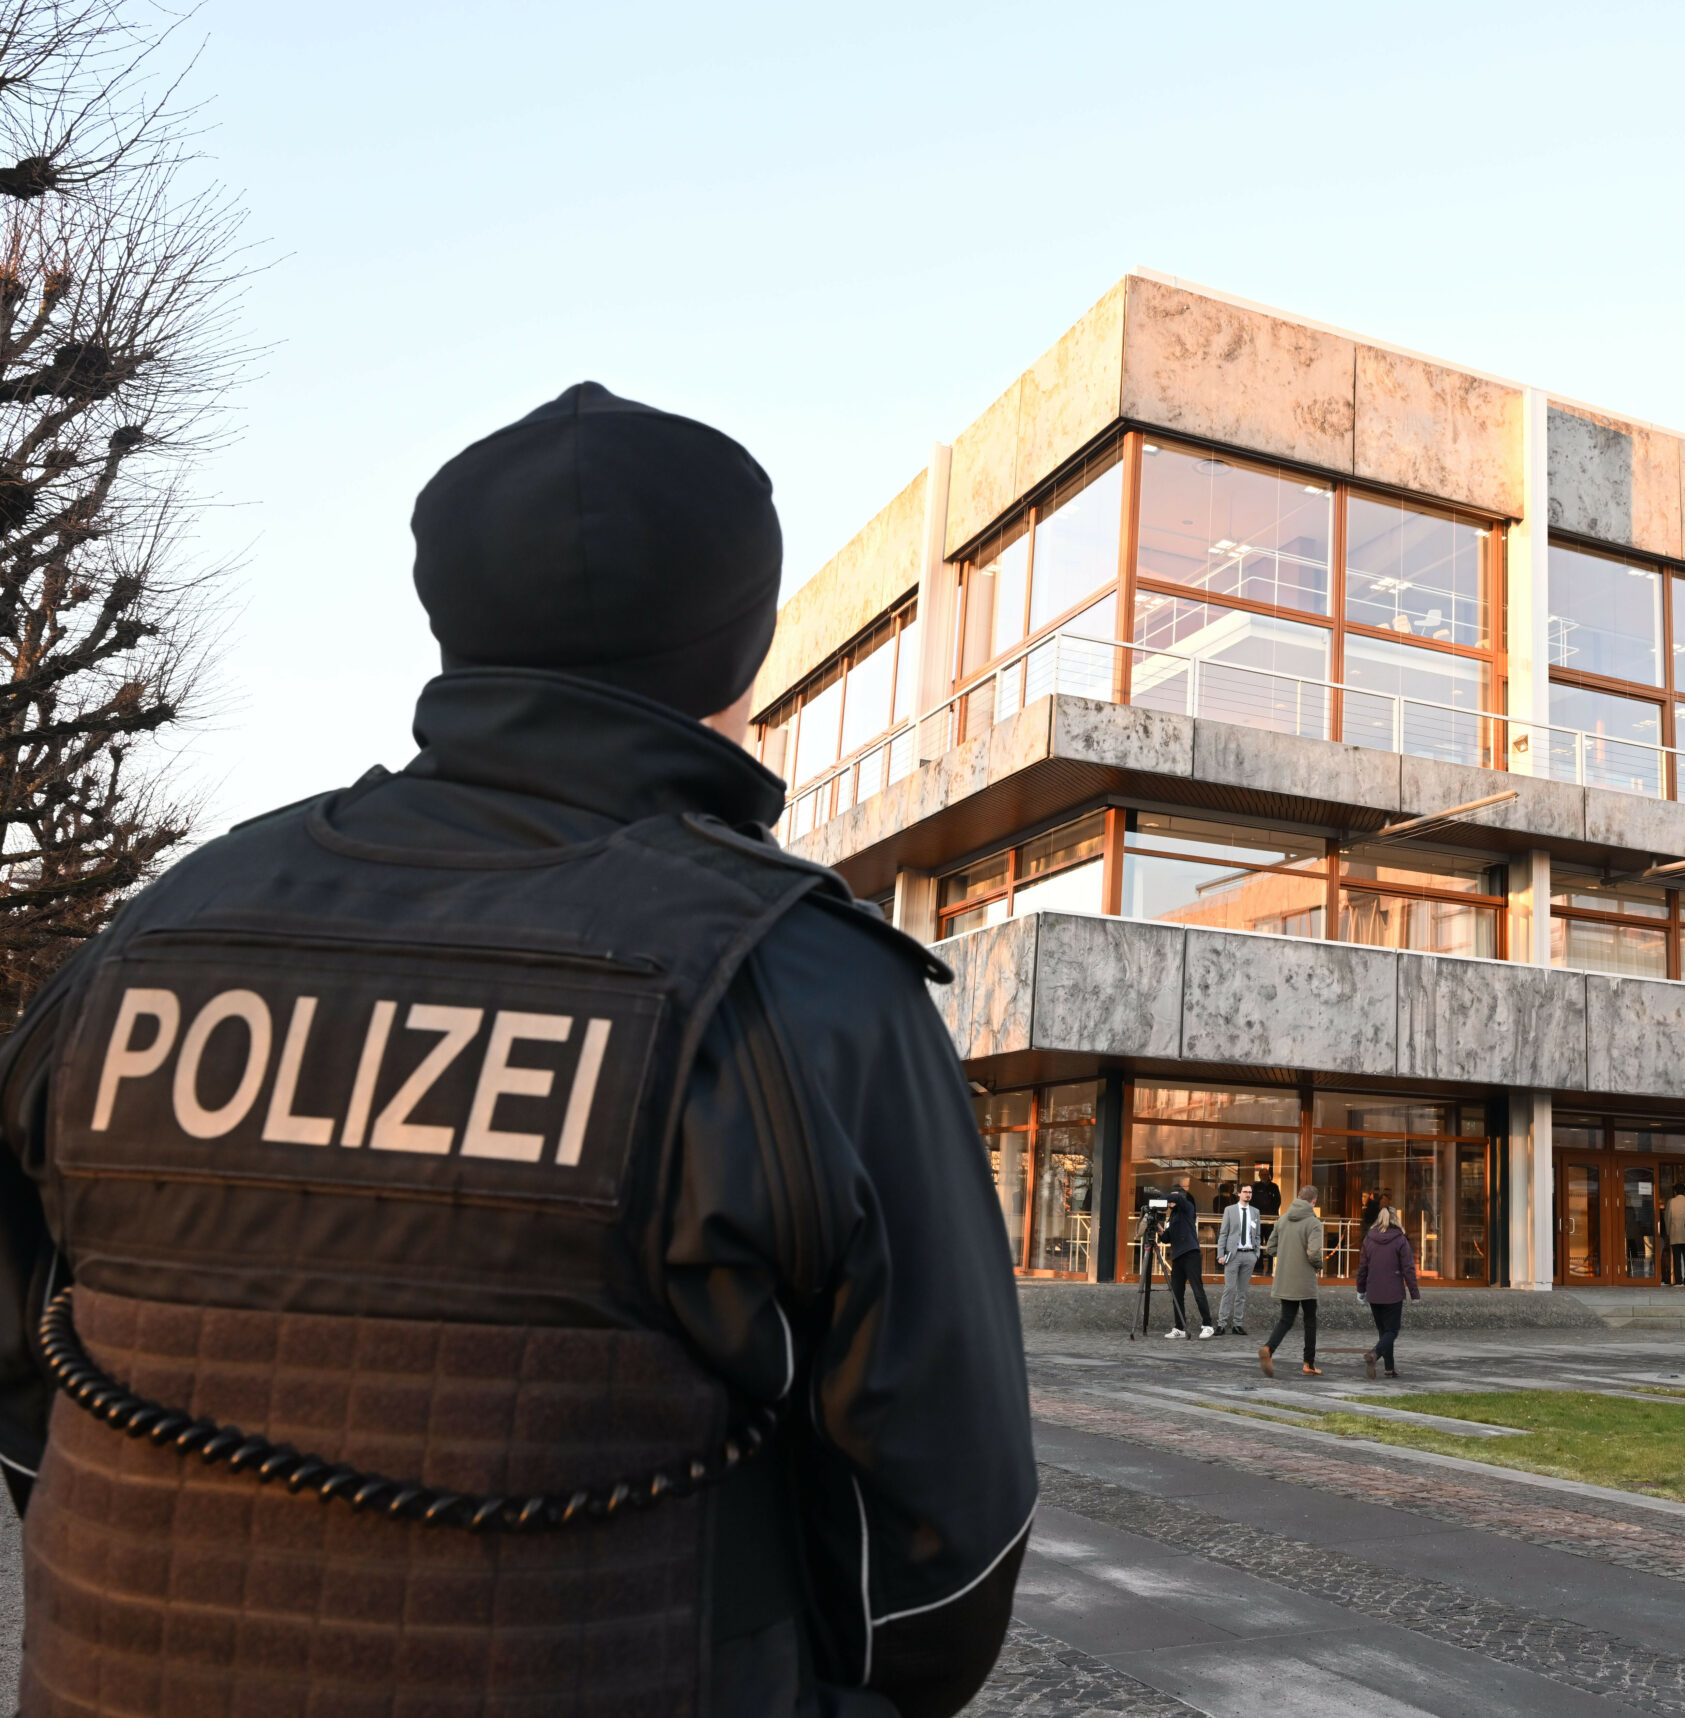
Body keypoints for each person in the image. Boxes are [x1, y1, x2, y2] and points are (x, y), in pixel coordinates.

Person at [0, 382, 1033, 1718]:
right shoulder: (798, 982)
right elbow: (950, 1546)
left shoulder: (155, 933)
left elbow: (29, 1378)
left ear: (455, 623)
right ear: (744, 650)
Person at [1260, 1186, 1325, 1377]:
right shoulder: (1313, 1223)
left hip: (1285, 1277)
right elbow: (1313, 1253)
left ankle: (1269, 1349)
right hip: (1305, 1279)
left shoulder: (1282, 1219)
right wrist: (1318, 1265)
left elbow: (1270, 1248)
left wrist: (1287, 1255)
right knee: (1310, 1320)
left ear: (1298, 1197)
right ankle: (1308, 1363)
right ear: (1314, 1201)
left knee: (1286, 1319)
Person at [1357, 1205, 1420, 1379]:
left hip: (1374, 1292)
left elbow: (1363, 1268)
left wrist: (1360, 1290)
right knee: (1392, 1331)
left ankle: (1389, 1368)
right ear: (1395, 1219)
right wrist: (1414, 1293)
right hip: (1393, 1293)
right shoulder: (1400, 1239)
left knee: (1383, 1331)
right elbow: (1408, 1268)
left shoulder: (1369, 1238)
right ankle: (1374, 1354)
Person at [1160, 1174, 1213, 1339]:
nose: (1171, 1202)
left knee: (1198, 1291)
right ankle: (1179, 1327)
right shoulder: (1173, 1216)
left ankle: (1207, 1325)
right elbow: (1166, 1238)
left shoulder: (1188, 1208)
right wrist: (1157, 1228)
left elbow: (1179, 1200)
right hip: (1177, 1257)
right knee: (1177, 1293)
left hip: (1191, 1254)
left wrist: (1160, 1199)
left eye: (1173, 1198)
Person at [1215, 1181, 1261, 1335]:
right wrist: (1220, 1254)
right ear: (1239, 1193)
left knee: (1242, 1292)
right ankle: (1221, 1324)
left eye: (1250, 1192)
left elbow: (1258, 1235)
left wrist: (1256, 1254)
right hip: (1233, 1255)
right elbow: (1223, 1233)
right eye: (1246, 1192)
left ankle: (1237, 1324)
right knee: (1229, 1289)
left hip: (1249, 1255)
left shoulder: (1255, 1212)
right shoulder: (1230, 1210)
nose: (1248, 1194)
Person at [1664, 1183, 1685, 1287]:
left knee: (1676, 1259)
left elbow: (1667, 1218)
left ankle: (1678, 1280)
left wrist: (1668, 1232)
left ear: (1675, 1191)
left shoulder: (1671, 1202)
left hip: (1675, 1233)